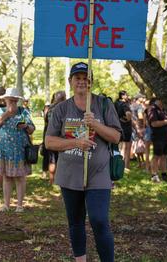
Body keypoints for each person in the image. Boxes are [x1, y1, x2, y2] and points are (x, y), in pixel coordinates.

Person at [45, 62, 121, 262]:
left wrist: (95, 123)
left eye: (85, 77)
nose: (81, 81)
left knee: (99, 219)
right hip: (70, 174)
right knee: (76, 221)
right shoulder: (61, 109)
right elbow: (49, 141)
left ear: (91, 82)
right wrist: (76, 142)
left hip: (99, 173)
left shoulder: (104, 104)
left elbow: (116, 136)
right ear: (70, 82)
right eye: (77, 77)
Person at [0, 88, 35, 212]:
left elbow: (32, 129)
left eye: (15, 101)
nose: (13, 103)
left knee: (20, 177)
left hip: (20, 150)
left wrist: (26, 126)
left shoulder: (23, 112)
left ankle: (19, 205)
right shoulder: (0, 111)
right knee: (6, 177)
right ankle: (6, 204)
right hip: (5, 150)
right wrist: (7, 114)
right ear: (5, 100)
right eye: (10, 100)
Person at [41, 90, 66, 184]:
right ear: (63, 98)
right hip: (60, 137)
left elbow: (46, 121)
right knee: (59, 159)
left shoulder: (49, 108)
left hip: (50, 135)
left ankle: (52, 180)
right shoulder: (64, 107)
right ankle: (57, 180)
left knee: (52, 159)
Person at [148, 98, 167, 183]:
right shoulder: (152, 109)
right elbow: (154, 124)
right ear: (159, 99)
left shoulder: (164, 110)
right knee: (156, 155)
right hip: (158, 136)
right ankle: (154, 175)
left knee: (165, 155)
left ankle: (164, 174)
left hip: (166, 135)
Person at [114, 90, 133, 169]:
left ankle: (117, 165)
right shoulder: (125, 104)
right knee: (127, 147)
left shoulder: (115, 104)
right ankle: (126, 166)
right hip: (126, 127)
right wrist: (127, 119)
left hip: (116, 127)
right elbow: (128, 115)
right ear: (123, 96)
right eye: (126, 95)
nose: (127, 96)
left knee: (119, 147)